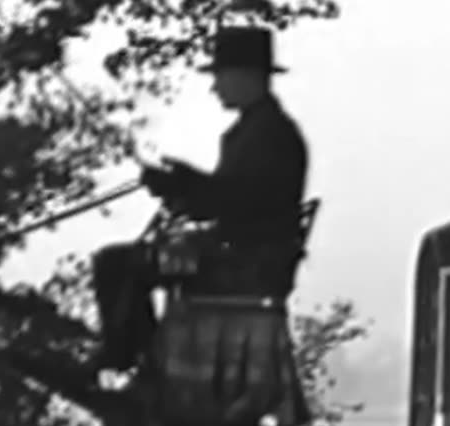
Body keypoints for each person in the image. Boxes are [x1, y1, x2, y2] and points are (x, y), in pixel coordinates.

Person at [91, 24, 309, 375]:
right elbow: (230, 195)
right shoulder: (263, 130)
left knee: (116, 264)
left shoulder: (266, 135)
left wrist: (179, 185)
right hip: (248, 253)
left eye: (220, 76)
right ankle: (137, 356)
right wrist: (181, 182)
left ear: (245, 76)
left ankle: (132, 357)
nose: (214, 87)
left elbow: (231, 202)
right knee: (128, 262)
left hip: (243, 260)